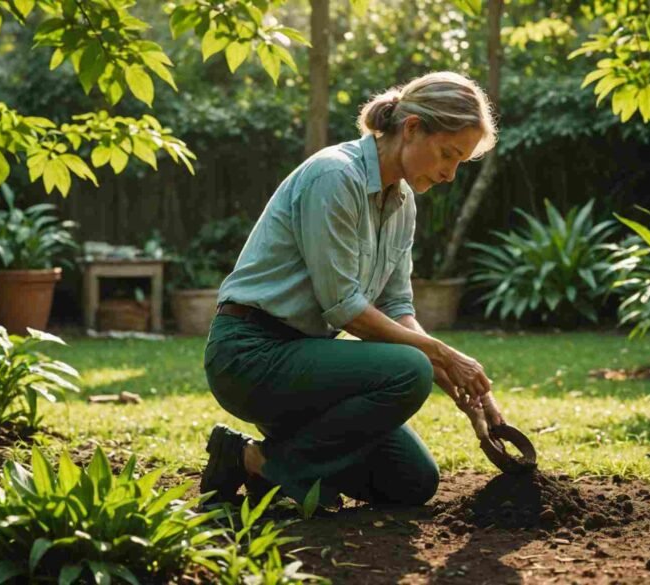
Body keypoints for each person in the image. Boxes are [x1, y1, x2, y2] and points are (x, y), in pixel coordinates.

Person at [201, 71, 504, 508]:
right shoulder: (334, 176)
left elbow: (397, 304)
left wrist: (463, 389)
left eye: (461, 162)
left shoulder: (402, 202)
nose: (450, 174)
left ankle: (257, 460)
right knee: (409, 369)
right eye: (448, 154)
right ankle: (267, 465)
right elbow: (345, 308)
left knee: (412, 481)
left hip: (307, 363)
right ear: (413, 127)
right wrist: (440, 356)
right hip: (249, 356)